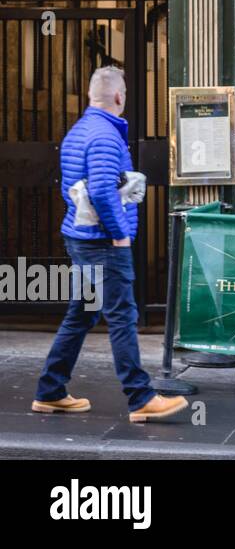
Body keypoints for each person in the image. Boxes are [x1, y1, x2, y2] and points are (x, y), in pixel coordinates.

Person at [32, 65, 188, 423]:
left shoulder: (78, 131)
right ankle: (141, 397)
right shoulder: (104, 135)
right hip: (104, 243)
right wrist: (119, 234)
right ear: (119, 97)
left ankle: (50, 391)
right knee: (122, 315)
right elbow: (102, 190)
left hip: (80, 238)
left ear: (91, 96)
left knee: (82, 314)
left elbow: (71, 187)